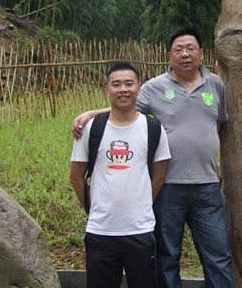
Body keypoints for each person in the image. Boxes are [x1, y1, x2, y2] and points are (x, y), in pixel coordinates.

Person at [72, 27, 235, 288]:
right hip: (168, 186)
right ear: (169, 55)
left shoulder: (215, 84)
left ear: (202, 53)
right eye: (178, 50)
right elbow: (124, 106)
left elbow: (217, 124)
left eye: (191, 49)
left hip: (207, 185)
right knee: (167, 257)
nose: (185, 54)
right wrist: (91, 114)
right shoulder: (154, 87)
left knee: (218, 255)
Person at [70, 61, 171, 288]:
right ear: (107, 89)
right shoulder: (91, 129)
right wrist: (92, 208)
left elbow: (159, 177)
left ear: (139, 88)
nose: (123, 89)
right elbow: (76, 176)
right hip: (100, 231)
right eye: (116, 84)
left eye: (129, 84)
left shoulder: (153, 128)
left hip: (140, 230)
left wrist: (142, 205)